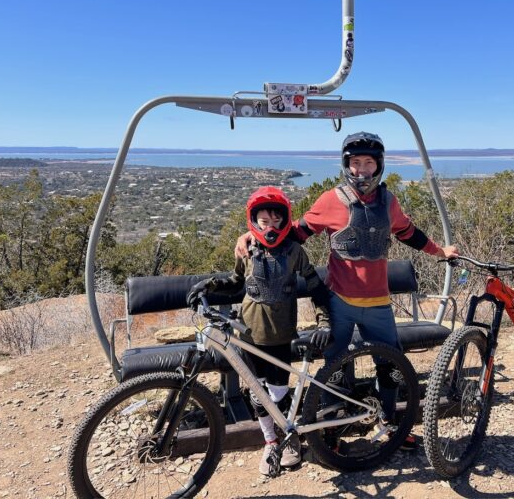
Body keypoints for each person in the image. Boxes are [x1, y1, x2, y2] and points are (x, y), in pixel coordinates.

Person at [236, 131, 458, 450]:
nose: (362, 170)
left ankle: (390, 424)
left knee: (390, 367)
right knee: (335, 370)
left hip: (379, 303)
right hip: (339, 301)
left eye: (369, 162)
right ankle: (331, 435)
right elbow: (293, 233)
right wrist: (251, 236)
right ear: (346, 165)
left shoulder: (388, 202)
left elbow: (409, 233)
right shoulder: (330, 200)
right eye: (356, 163)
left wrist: (440, 252)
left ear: (378, 165)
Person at [188, 186, 331, 476]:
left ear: (284, 220)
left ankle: (290, 438)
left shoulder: (294, 251)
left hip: (280, 335)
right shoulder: (248, 249)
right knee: (257, 393)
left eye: (276, 221)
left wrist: (323, 321)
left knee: (277, 393)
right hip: (249, 334)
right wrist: (210, 284)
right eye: (263, 221)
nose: (269, 226)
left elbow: (315, 286)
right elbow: (236, 282)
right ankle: (270, 440)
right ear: (254, 220)